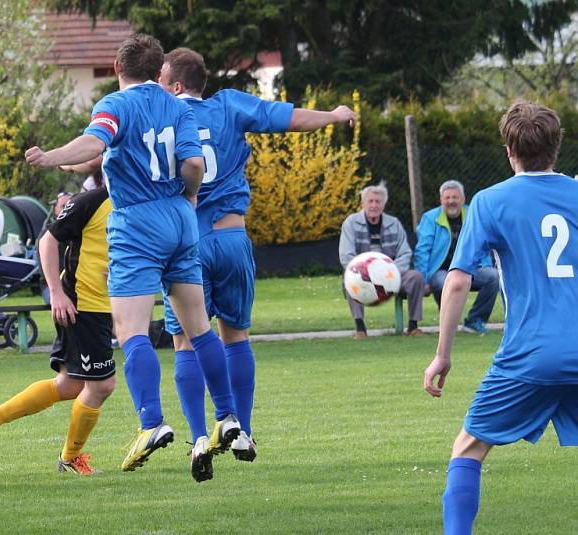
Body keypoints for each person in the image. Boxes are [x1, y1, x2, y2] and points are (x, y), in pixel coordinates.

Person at [25, 34, 241, 474]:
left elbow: (94, 143)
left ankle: (152, 423)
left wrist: (49, 157)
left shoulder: (115, 105)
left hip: (136, 222)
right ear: (160, 71)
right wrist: (190, 200)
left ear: (117, 67)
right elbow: (194, 165)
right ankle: (227, 416)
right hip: (181, 216)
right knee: (200, 328)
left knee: (131, 330)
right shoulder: (177, 107)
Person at [158, 47, 357, 481]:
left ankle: (198, 439)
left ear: (174, 86)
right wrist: (334, 114)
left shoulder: (162, 118)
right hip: (231, 238)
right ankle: (243, 432)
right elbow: (287, 118)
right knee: (236, 335)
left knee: (187, 344)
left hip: (184, 243)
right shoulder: (229, 104)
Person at [424, 101, 578, 534]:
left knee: (467, 450)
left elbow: (456, 283)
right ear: (557, 146)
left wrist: (442, 355)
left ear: (510, 151)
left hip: (530, 354)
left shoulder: (490, 202)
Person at [0, 186, 114, 475]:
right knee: (101, 385)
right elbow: (48, 240)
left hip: (105, 304)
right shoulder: (94, 199)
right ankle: (70, 458)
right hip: (81, 303)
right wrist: (56, 293)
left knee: (70, 385)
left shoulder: (143, 198)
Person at [339, 182, 425, 339]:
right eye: (370, 201)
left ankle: (413, 326)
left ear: (384, 204)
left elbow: (405, 252)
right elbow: (346, 256)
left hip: (391, 275)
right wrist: (366, 272)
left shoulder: (394, 224)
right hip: (361, 275)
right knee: (349, 278)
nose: (374, 205)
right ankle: (360, 329)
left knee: (416, 277)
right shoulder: (350, 223)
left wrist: (389, 272)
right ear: (363, 203)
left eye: (378, 201)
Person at [414, 180, 499, 334]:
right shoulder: (430, 218)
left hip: (470, 270)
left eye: (455, 197)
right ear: (441, 200)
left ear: (463, 199)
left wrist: (485, 265)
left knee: (493, 276)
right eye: (447, 198)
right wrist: (424, 279)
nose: (451, 201)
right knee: (441, 282)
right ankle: (448, 323)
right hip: (441, 271)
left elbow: (484, 245)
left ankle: (475, 321)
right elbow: (422, 251)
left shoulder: (473, 215)